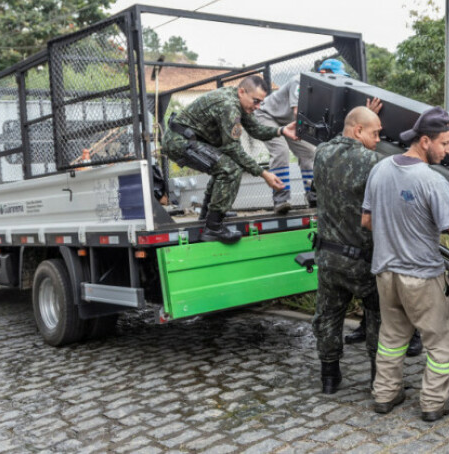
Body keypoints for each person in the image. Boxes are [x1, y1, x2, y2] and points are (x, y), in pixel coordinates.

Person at [364, 106, 449, 423]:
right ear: (424, 141)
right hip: (422, 277)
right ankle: (434, 402)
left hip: (386, 274)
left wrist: (395, 233)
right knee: (440, 342)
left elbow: (366, 220)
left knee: (392, 338)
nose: (448, 151)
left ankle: (385, 394)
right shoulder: (432, 182)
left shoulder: (379, 170)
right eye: (444, 143)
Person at [162, 75, 298, 243]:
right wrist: (264, 174)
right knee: (230, 168)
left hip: (190, 140)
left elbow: (256, 129)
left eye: (260, 103)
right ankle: (213, 227)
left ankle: (207, 217)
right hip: (179, 141)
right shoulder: (229, 106)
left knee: (224, 166)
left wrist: (282, 130)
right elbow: (233, 148)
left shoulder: (239, 101)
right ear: (242, 92)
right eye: (255, 101)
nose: (257, 107)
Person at [311, 101, 384, 394]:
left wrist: (364, 112)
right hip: (363, 260)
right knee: (379, 317)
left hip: (328, 255)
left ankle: (329, 377)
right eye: (375, 133)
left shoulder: (321, 154)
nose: (378, 140)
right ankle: (380, 380)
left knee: (328, 315)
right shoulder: (373, 162)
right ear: (358, 130)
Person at [255, 60, 349, 213]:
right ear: (323, 73)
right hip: (268, 115)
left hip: (291, 122)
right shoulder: (300, 81)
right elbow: (297, 112)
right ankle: (281, 200)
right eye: (336, 76)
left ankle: (313, 197)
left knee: (309, 152)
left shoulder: (326, 91)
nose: (338, 80)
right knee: (281, 151)